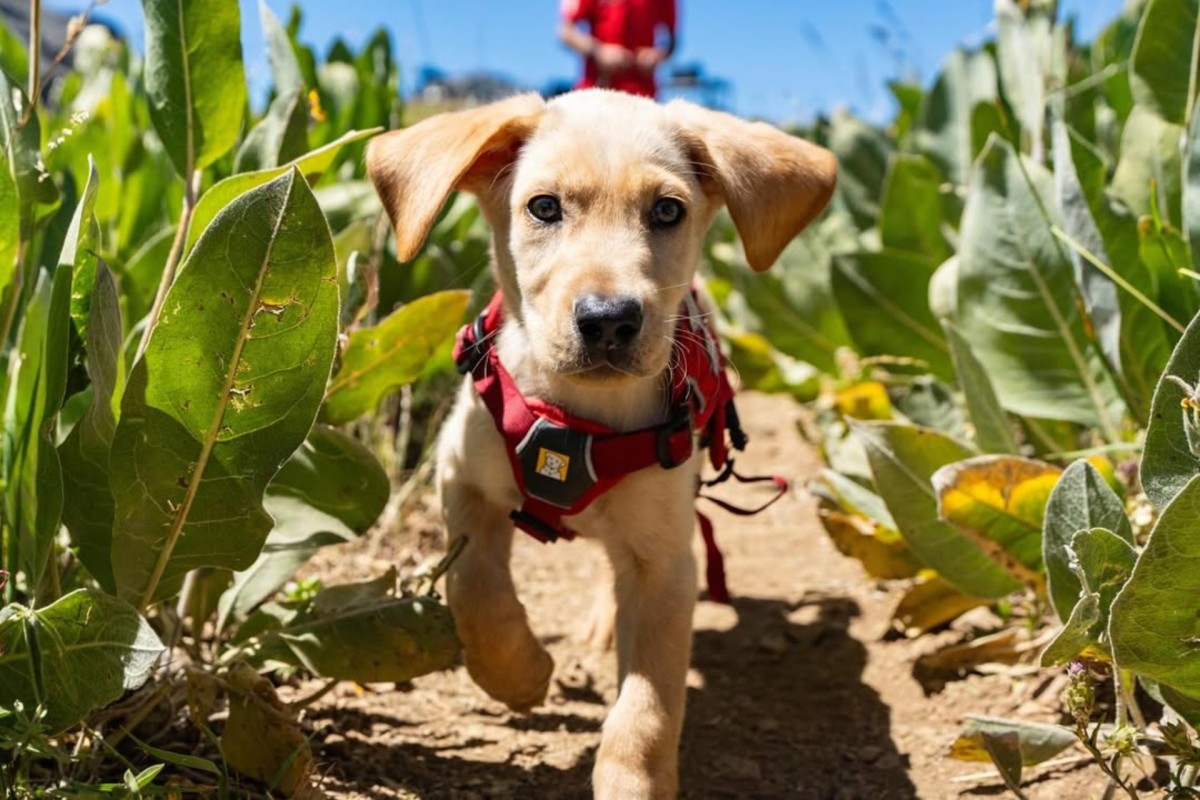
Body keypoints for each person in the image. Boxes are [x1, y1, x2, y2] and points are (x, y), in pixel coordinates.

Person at [559, 0, 677, 99]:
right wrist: (599, 51)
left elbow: (672, 42)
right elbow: (566, 33)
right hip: (597, 92)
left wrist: (658, 55)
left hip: (643, 97)